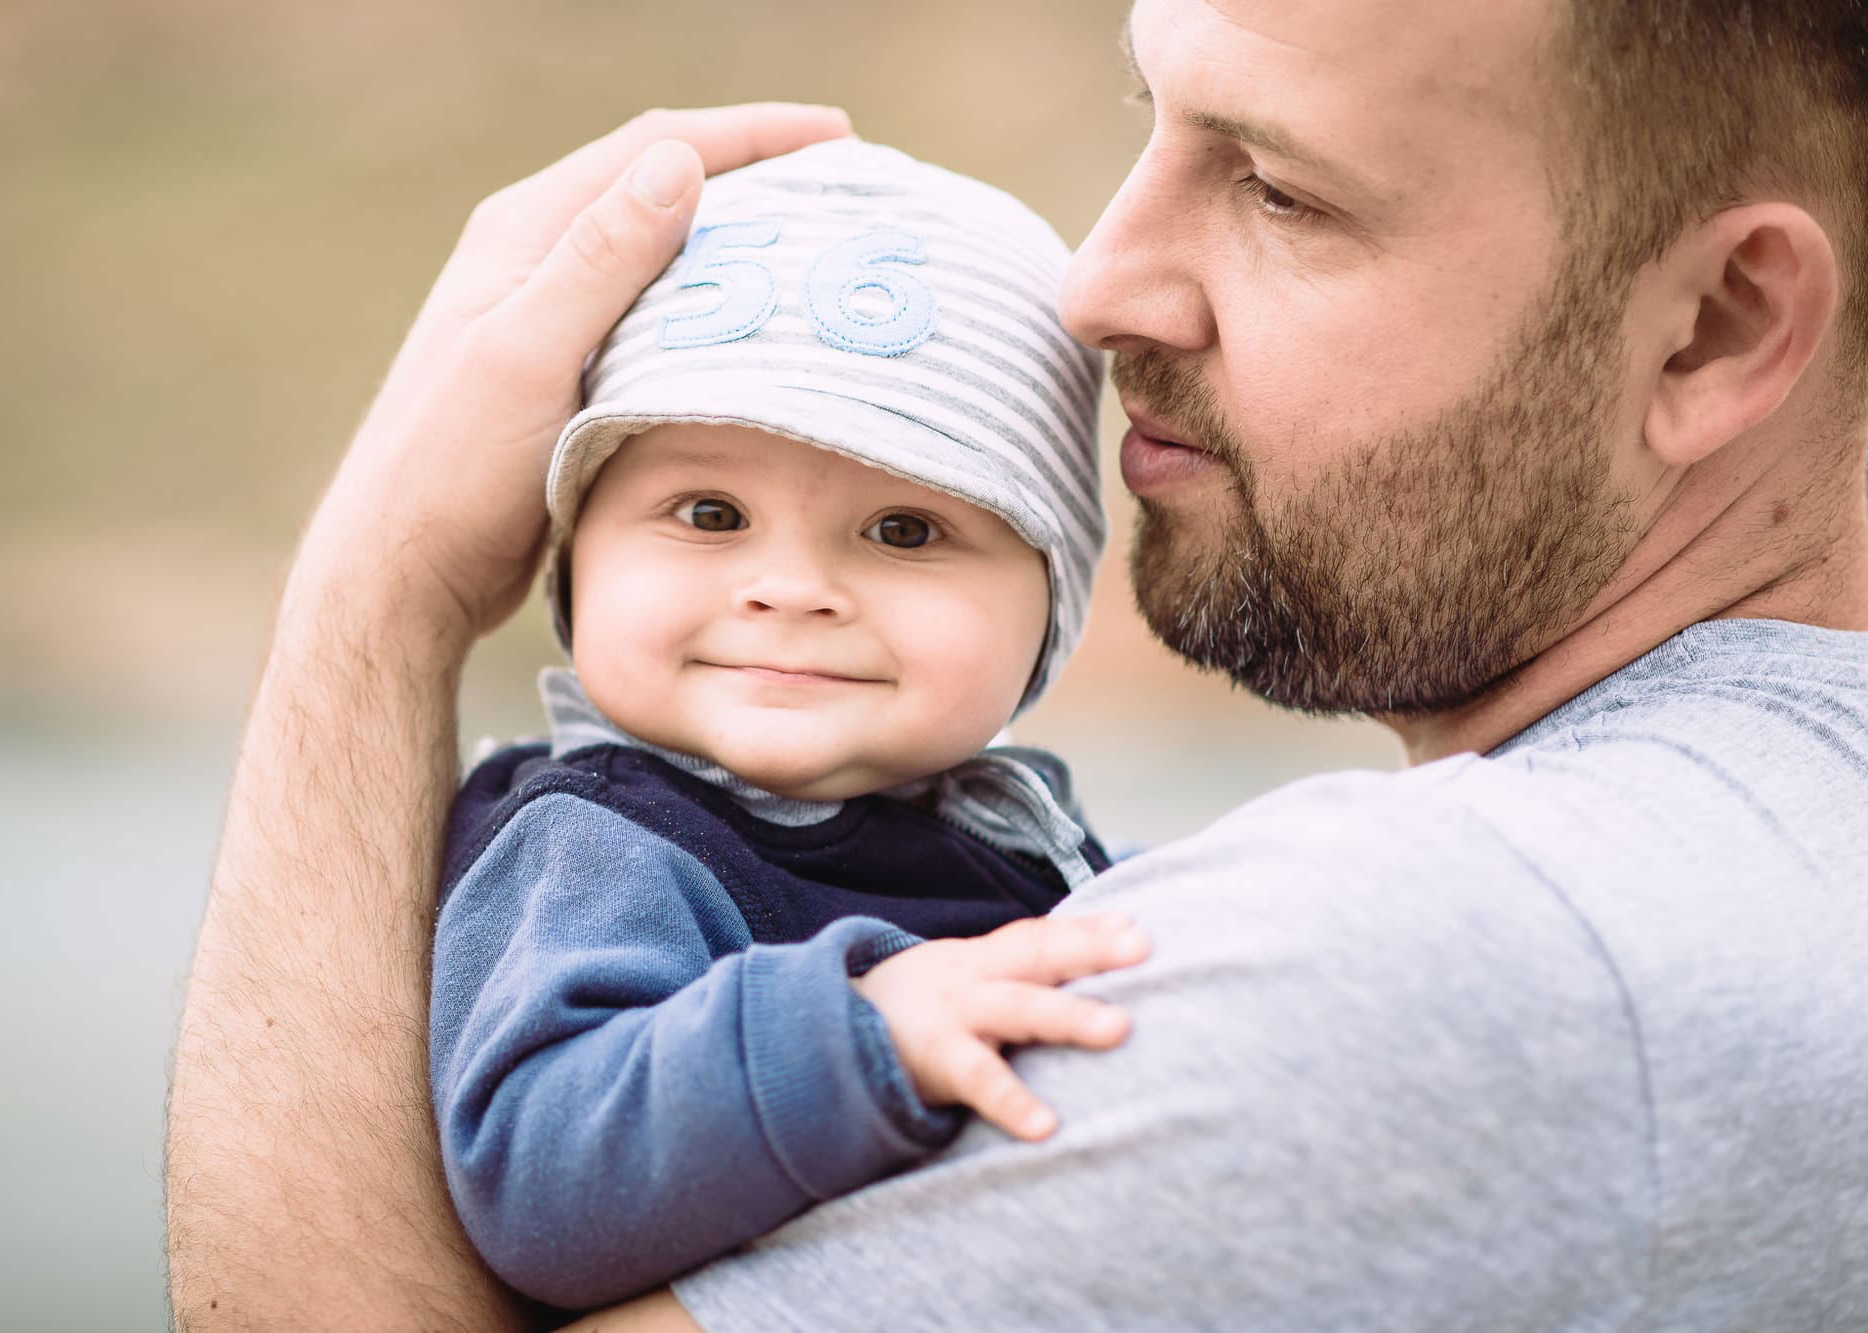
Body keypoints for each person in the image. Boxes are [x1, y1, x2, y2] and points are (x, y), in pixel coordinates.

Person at [166, 0, 1868, 1327]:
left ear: (1714, 325)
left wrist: (375, 595)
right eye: (1154, 124)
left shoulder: (1455, 959)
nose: (1099, 281)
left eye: (1283, 188)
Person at [430, 139, 1147, 1323]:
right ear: (574, 565)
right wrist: (862, 1032)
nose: (791, 587)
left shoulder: (1020, 840)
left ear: (1047, 608)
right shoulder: (595, 843)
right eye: (709, 513)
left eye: (906, 530)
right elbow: (537, 1181)